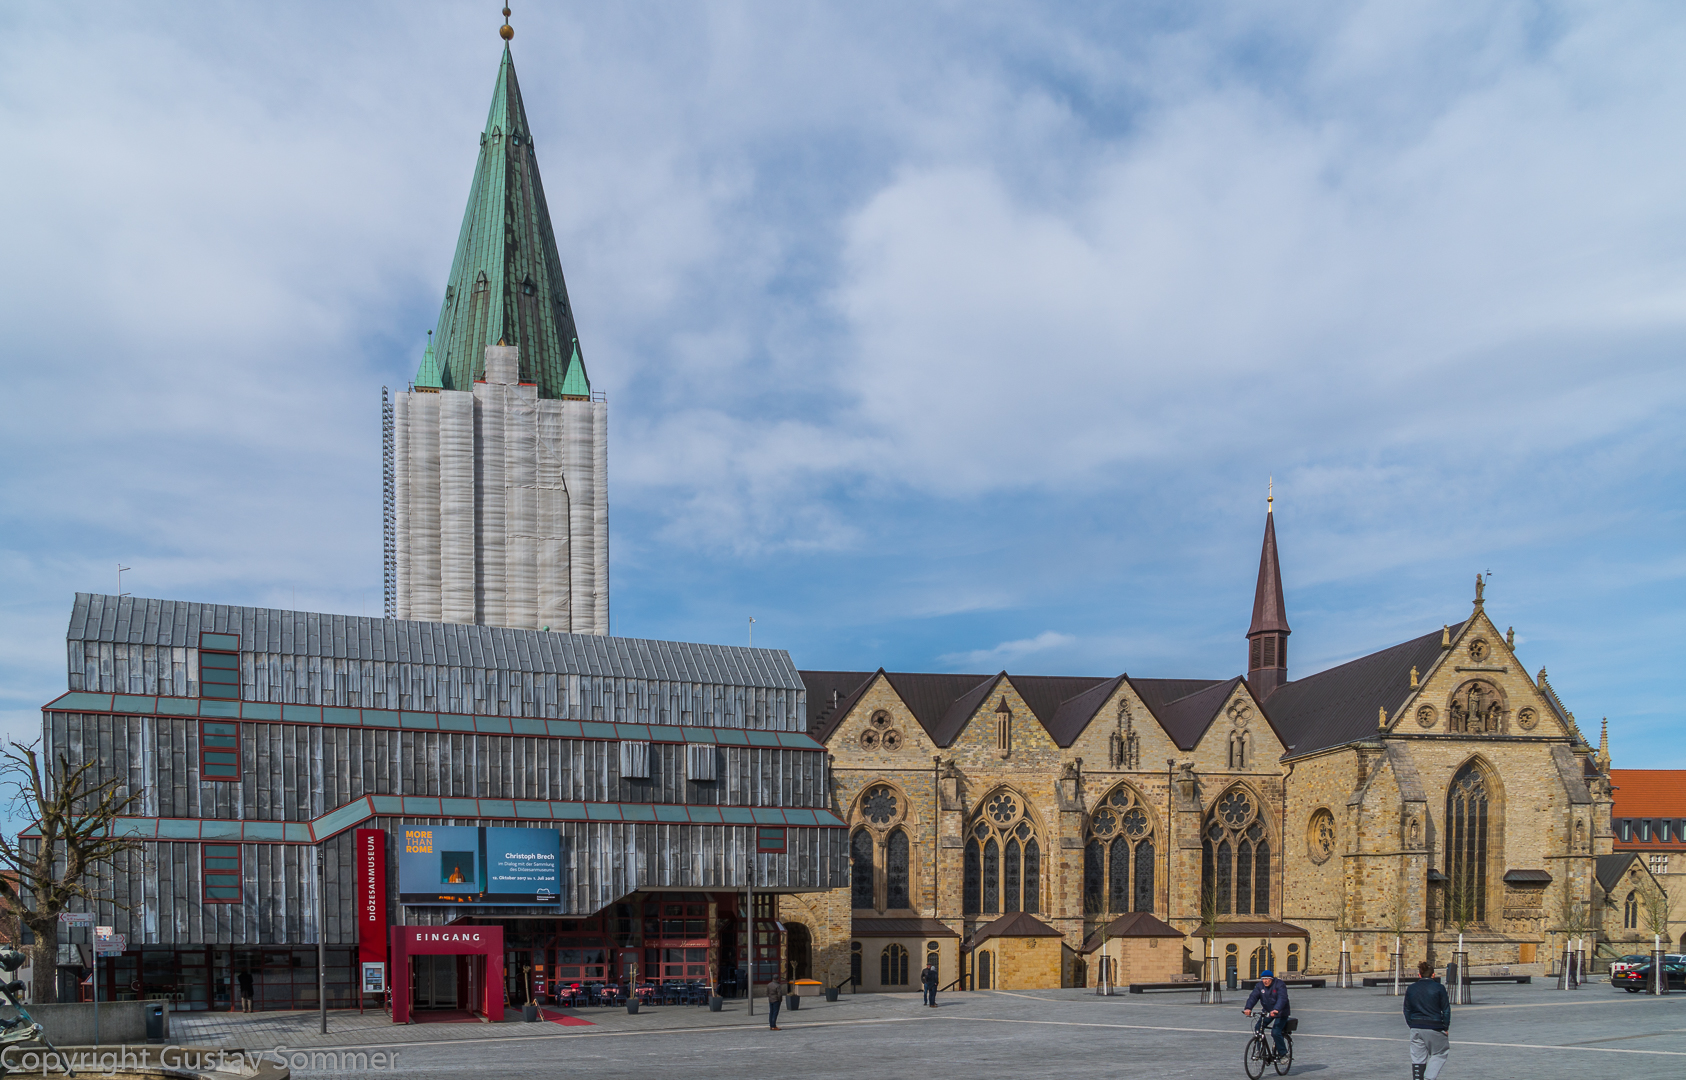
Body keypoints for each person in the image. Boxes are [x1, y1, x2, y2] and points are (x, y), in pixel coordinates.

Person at [1404, 960, 1451, 1080]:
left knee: (1417, 1058)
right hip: (1434, 1025)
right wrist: (1445, 1027)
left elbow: (1406, 1010)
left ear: (1419, 975)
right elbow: (1446, 1009)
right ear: (1433, 975)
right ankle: (1429, 1078)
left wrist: (1412, 1025)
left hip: (1416, 1026)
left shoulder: (1411, 988)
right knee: (1439, 1053)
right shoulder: (1439, 988)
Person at [1242, 970, 1290, 1060]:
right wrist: (1248, 1008)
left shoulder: (1279, 985)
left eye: (1267, 979)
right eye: (1263, 979)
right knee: (1258, 1028)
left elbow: (1282, 998)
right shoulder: (1259, 986)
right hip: (1268, 1011)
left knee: (1275, 1032)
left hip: (1281, 1012)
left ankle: (1283, 1054)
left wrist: (1276, 1009)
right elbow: (1253, 997)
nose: (1265, 981)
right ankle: (1259, 1051)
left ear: (1272, 979)